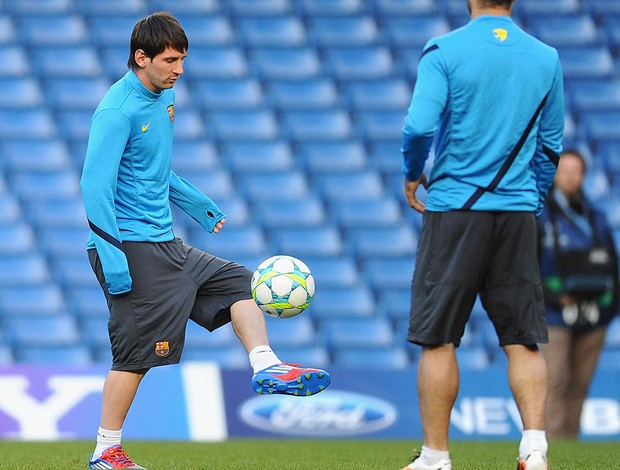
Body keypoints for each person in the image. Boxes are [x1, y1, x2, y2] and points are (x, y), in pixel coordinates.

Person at [81, 12, 330, 470]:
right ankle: (105, 450)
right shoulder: (117, 110)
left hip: (166, 243)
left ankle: (266, 364)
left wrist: (197, 204)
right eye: (171, 60)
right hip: (131, 248)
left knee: (243, 284)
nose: (179, 70)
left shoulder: (164, 96)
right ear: (141, 58)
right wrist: (114, 260)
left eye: (183, 60)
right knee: (135, 356)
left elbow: (152, 169)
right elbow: (94, 188)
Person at [399, 0, 564, 469]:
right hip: (515, 214)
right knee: (523, 339)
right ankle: (534, 449)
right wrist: (530, 200)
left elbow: (418, 126)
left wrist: (413, 173)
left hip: (455, 211)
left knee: (438, 339)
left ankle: (435, 457)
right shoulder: (545, 57)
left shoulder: (444, 50)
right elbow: (551, 144)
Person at [538, 149, 619, 440]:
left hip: (595, 314)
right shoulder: (539, 215)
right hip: (555, 313)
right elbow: (528, 265)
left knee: (580, 383)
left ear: (583, 176)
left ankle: (570, 443)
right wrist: (553, 296)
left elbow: (612, 265)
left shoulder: (596, 217)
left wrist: (609, 309)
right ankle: (549, 445)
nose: (570, 176)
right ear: (554, 174)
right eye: (564, 170)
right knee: (555, 380)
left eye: (576, 171)